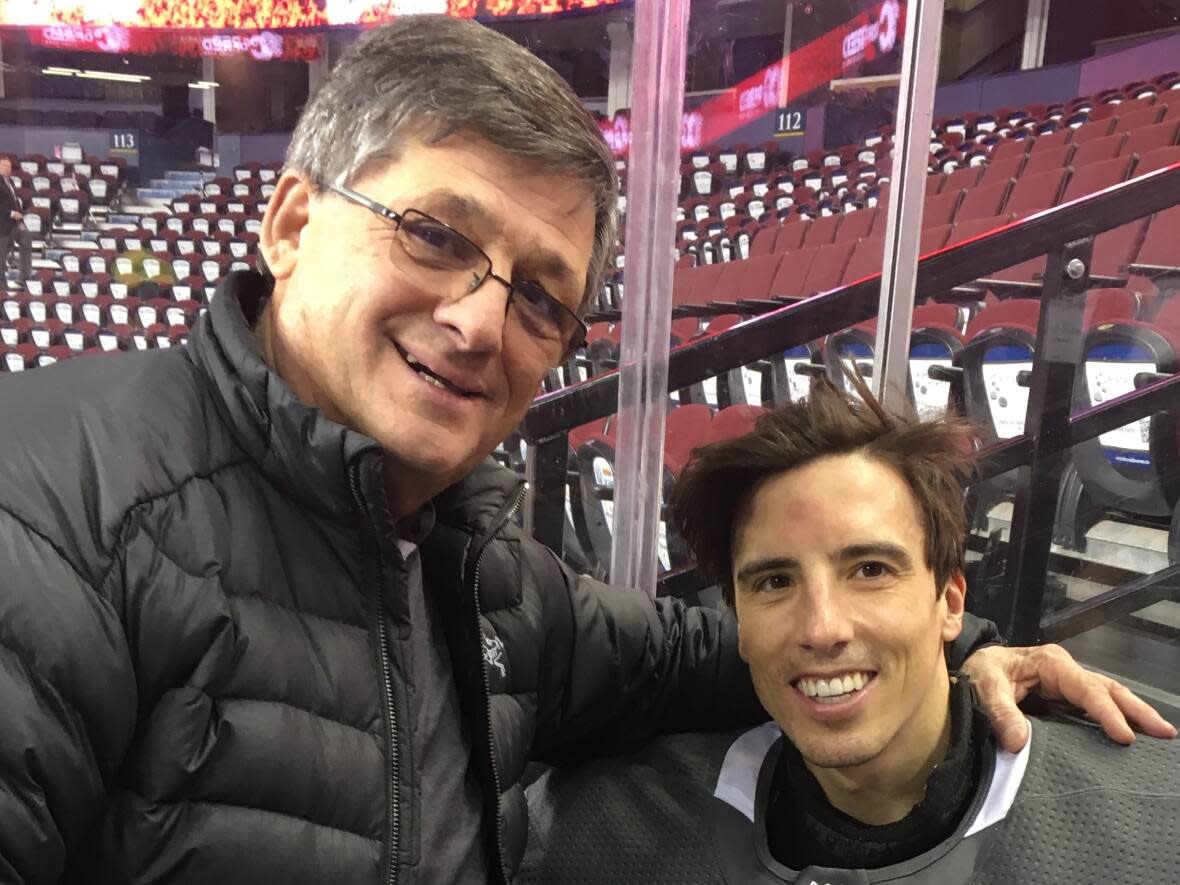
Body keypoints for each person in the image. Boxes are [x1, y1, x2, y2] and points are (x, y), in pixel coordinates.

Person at [0, 15, 1166, 885]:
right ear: (294, 223)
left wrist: (963, 649)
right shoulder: (49, 519)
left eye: (542, 298)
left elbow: (743, 645)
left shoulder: (491, 583)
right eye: (434, 233)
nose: (476, 320)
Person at [518, 381, 1179, 885]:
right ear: (738, 620)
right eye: (774, 582)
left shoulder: (1151, 825)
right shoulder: (607, 829)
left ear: (950, 600)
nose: (822, 627)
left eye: (869, 569)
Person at [0, 156, 32, 286]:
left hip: (16, 224)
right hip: (2, 224)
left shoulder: (10, 182)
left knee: (27, 237)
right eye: (4, 166)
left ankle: (23, 277)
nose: (7, 168)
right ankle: (1, 283)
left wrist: (20, 220)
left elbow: (14, 202)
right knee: (1, 255)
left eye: (9, 166)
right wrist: (12, 213)